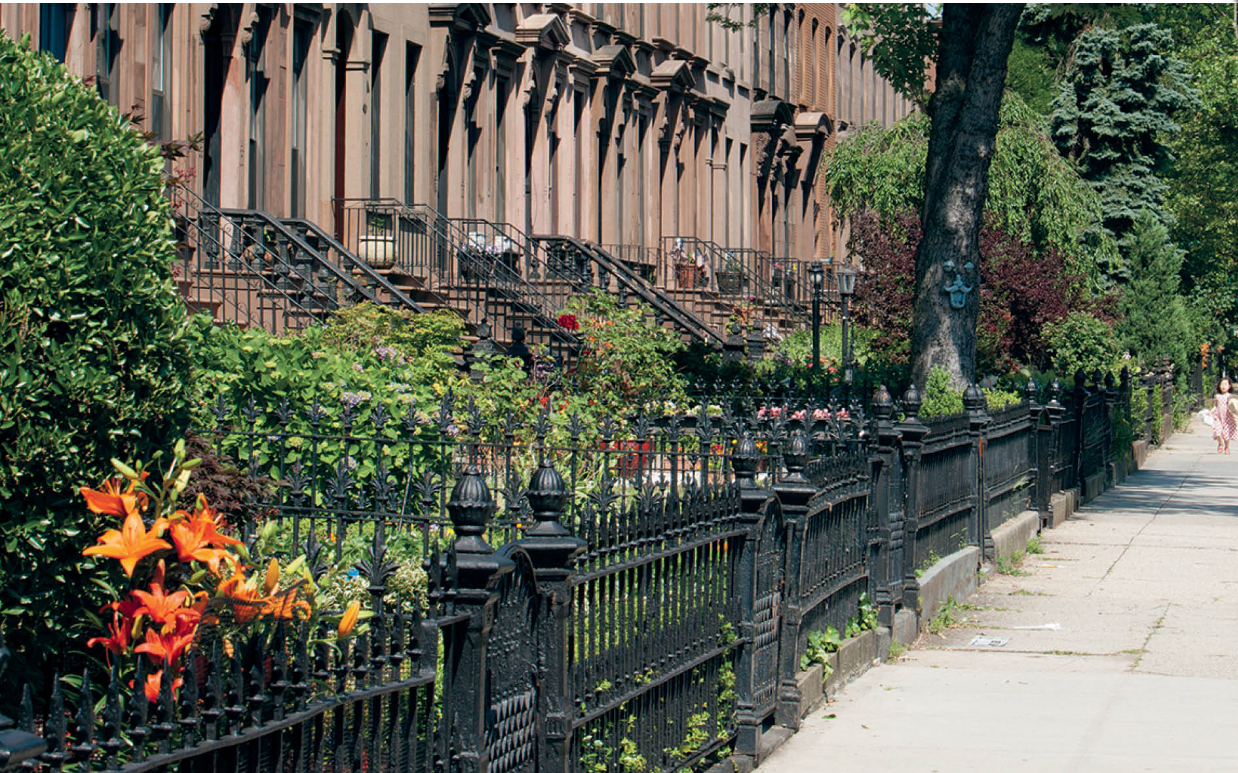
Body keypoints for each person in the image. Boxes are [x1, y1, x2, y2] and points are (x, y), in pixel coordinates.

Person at [1213, 377, 1238, 454]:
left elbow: (1234, 406)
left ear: (1229, 386)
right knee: (1217, 431)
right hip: (1219, 417)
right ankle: (1220, 444)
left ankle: (1227, 447)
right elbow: (1215, 406)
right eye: (1222, 384)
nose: (1223, 386)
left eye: (1225, 384)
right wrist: (1212, 411)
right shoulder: (1217, 396)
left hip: (1227, 417)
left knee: (1226, 434)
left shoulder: (1230, 396)